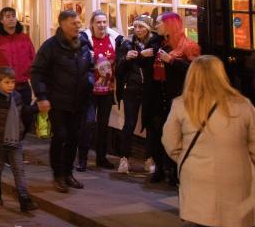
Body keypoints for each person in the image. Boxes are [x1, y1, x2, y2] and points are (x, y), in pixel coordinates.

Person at [162, 55, 255, 227]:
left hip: (198, 176)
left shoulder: (182, 105)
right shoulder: (242, 105)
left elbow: (170, 142)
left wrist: (187, 159)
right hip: (237, 176)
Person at [30, 9, 93, 193]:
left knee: (74, 137)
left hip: (79, 100)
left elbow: (89, 66)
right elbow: (37, 72)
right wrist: (42, 96)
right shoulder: (50, 46)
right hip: (57, 101)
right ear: (63, 24)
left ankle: (68, 173)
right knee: (61, 136)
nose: (78, 25)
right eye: (74, 23)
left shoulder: (83, 43)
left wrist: (90, 79)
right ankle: (58, 174)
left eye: (78, 22)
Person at [147, 11, 201, 184]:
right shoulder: (160, 42)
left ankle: (174, 172)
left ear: (170, 24)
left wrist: (171, 60)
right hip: (158, 95)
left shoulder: (188, 46)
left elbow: (194, 71)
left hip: (176, 96)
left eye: (159, 23)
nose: (157, 26)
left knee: (174, 134)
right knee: (156, 132)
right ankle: (160, 170)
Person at [115, 15, 164, 174]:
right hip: (132, 87)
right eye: (135, 27)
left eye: (141, 27)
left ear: (149, 28)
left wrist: (153, 53)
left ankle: (149, 158)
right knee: (129, 123)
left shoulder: (156, 42)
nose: (138, 30)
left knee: (150, 124)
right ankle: (124, 158)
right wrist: (125, 59)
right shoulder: (128, 43)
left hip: (151, 89)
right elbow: (119, 69)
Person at [0, 67, 39, 212]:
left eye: (12, 82)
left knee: (19, 169)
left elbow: (24, 112)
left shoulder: (17, 97)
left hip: (15, 139)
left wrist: (36, 108)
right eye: (7, 82)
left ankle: (24, 199)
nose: (11, 85)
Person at [77, 10, 120, 171]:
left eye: (104, 22)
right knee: (87, 123)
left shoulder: (114, 39)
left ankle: (101, 158)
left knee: (103, 125)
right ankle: (82, 159)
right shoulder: (86, 40)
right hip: (90, 90)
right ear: (92, 24)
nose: (102, 25)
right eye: (98, 22)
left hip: (107, 90)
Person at [0, 7, 35, 106]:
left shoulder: (25, 38)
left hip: (23, 86)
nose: (11, 19)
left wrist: (37, 83)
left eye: (13, 16)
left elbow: (33, 60)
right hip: (3, 88)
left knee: (26, 117)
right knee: (5, 119)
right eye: (7, 16)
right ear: (1, 20)